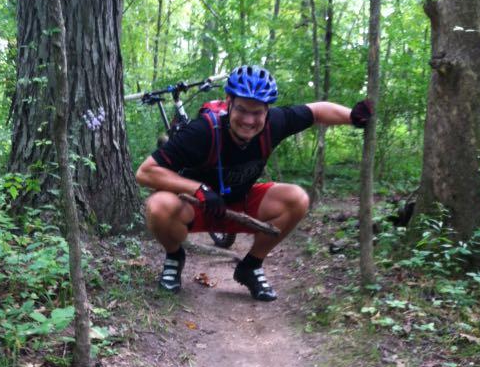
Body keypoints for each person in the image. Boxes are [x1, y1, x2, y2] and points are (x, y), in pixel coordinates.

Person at [136, 65, 372, 302]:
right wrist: (199, 190)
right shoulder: (202, 131)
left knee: (297, 198)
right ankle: (174, 257)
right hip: (198, 206)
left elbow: (317, 111)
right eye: (242, 110)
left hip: (243, 203)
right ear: (229, 102)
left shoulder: (275, 123)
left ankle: (251, 266)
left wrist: (352, 116)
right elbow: (145, 172)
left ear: (267, 110)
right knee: (158, 205)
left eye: (257, 112)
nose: (249, 120)